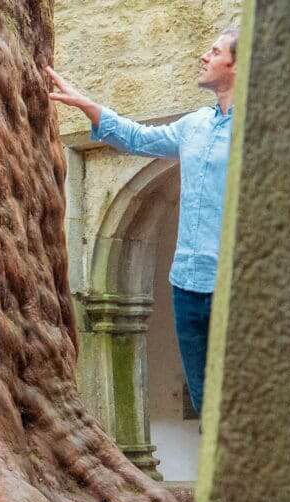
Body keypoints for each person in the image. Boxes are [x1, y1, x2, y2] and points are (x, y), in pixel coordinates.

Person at [44, 27, 237, 414]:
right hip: (187, 287)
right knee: (206, 404)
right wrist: (88, 106)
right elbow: (138, 138)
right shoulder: (195, 125)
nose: (204, 56)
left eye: (215, 52)